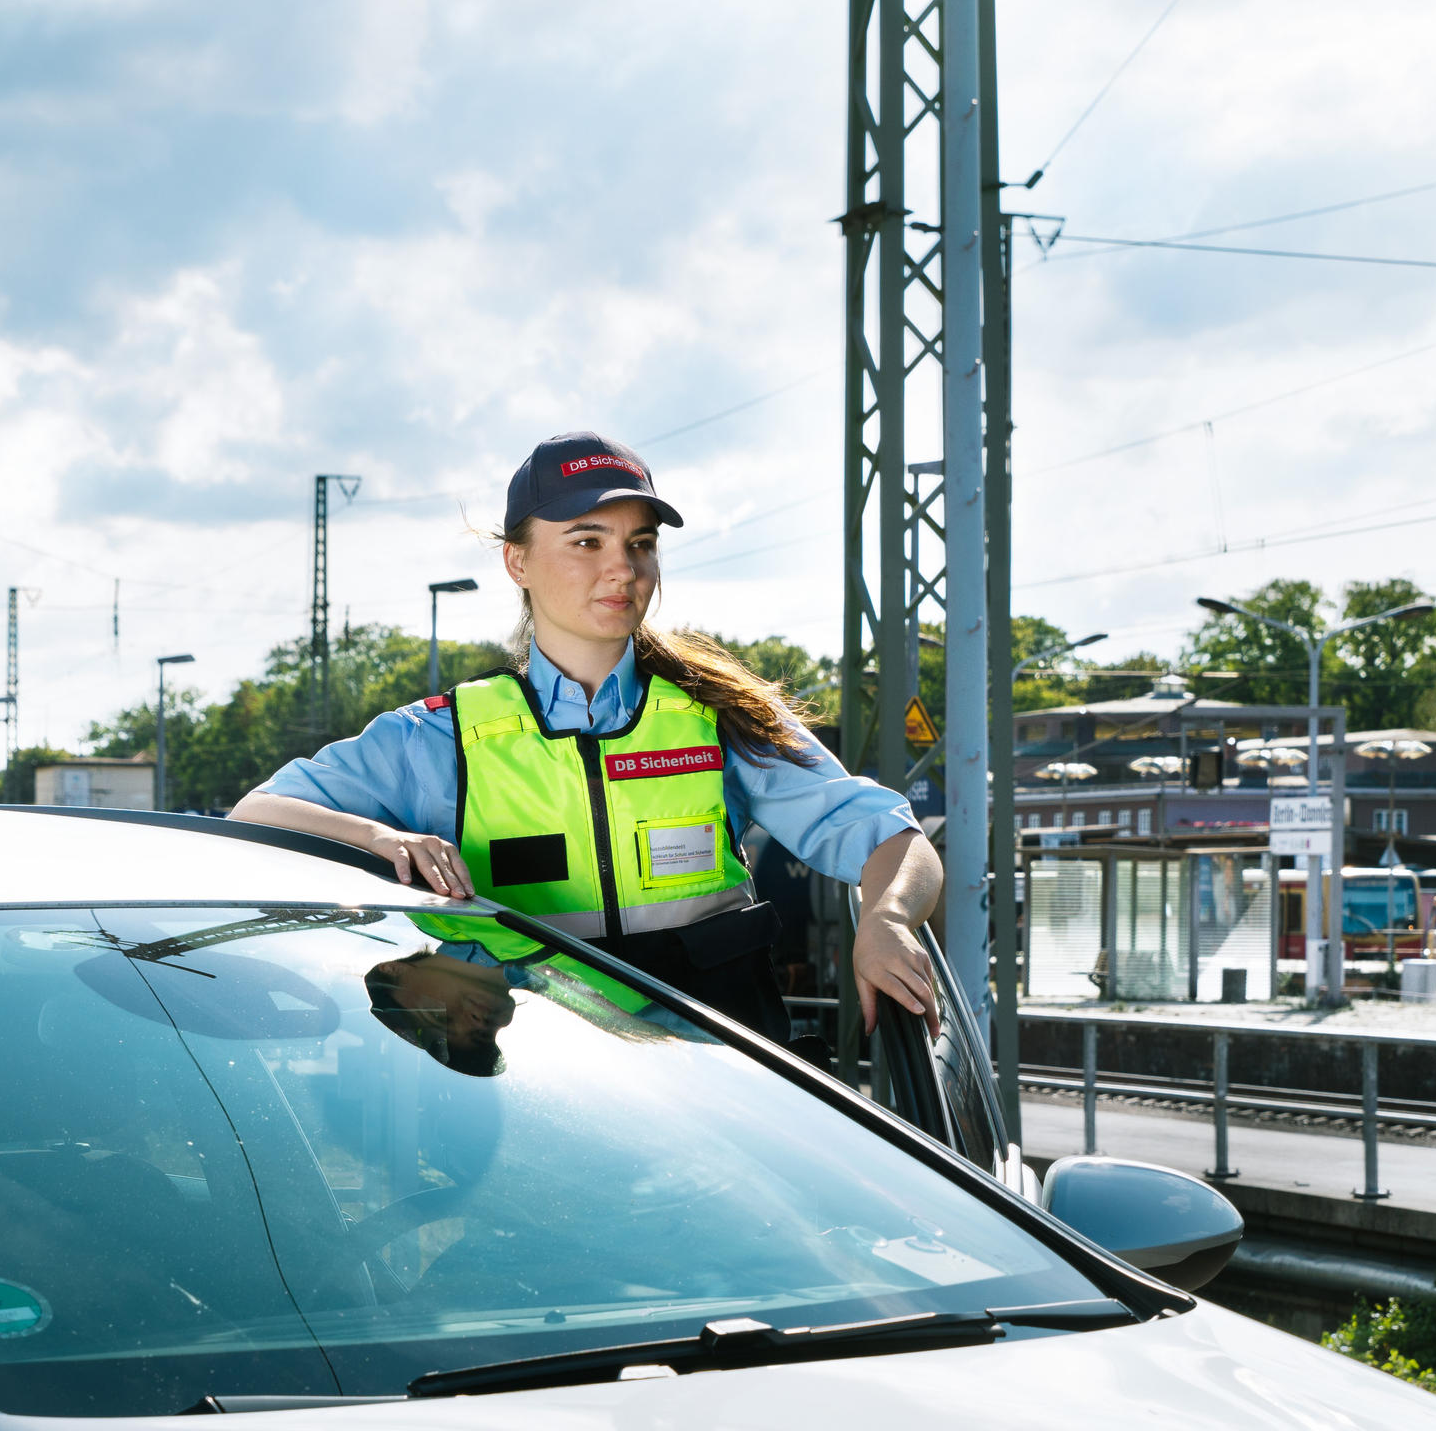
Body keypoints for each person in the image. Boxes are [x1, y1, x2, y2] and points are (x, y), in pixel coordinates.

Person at [232, 431, 943, 1037]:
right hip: (556, 1114)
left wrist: (888, 919)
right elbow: (256, 815)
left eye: (640, 543)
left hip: (730, 1107)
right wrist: (383, 840)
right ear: (517, 561)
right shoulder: (436, 739)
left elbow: (892, 838)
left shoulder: (718, 714)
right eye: (585, 541)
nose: (623, 568)